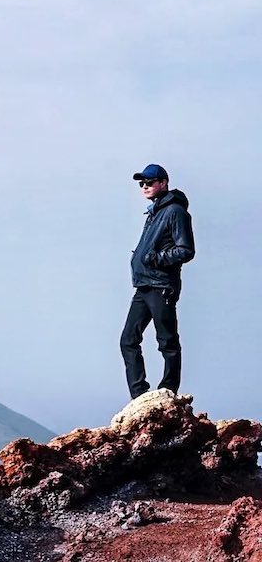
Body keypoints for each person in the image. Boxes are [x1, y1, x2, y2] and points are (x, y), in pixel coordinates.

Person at [120, 164, 195, 399]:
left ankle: (168, 391)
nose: (145, 186)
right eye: (142, 183)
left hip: (161, 285)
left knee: (167, 341)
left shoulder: (175, 211)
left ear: (163, 183)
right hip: (144, 285)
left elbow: (186, 250)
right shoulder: (155, 211)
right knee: (128, 340)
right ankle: (140, 396)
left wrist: (155, 258)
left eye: (150, 182)